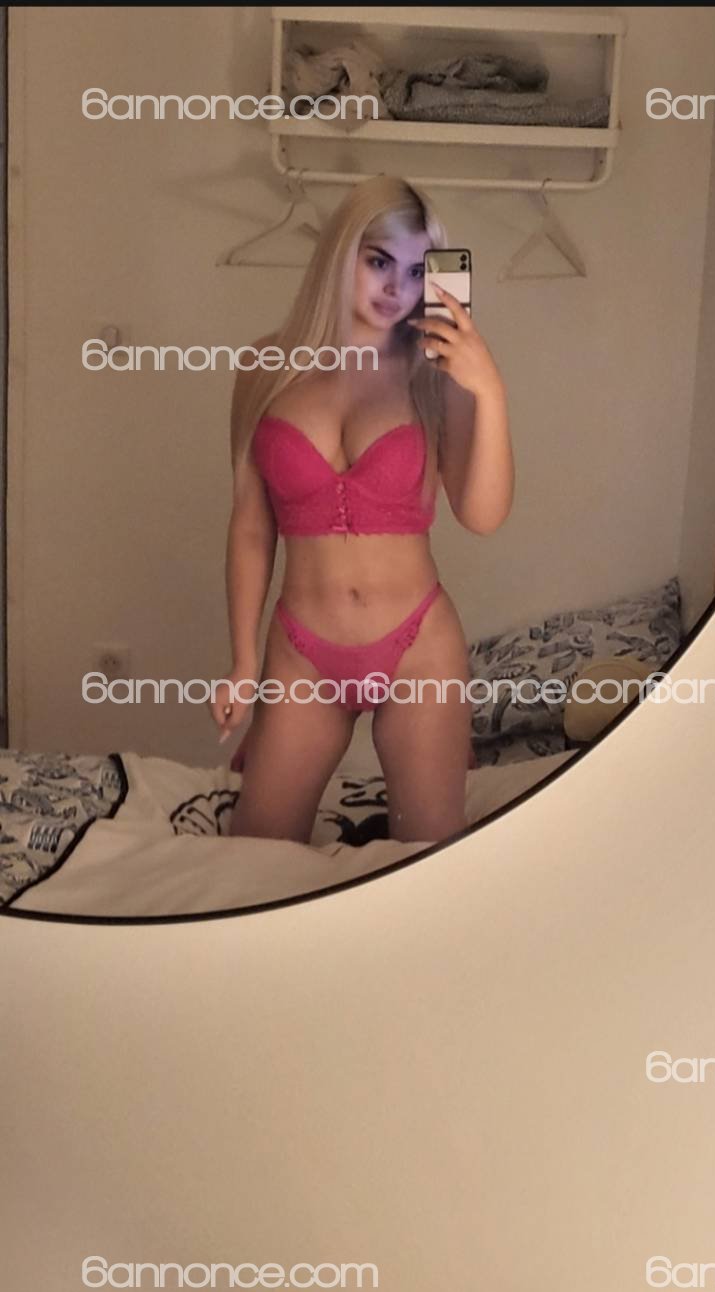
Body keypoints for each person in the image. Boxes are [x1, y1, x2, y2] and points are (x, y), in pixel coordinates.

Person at [210, 175, 514, 845]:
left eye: (416, 271)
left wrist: (488, 391)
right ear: (341, 251)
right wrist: (242, 661)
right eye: (379, 261)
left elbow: (483, 514)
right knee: (255, 856)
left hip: (418, 647)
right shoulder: (264, 368)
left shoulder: (436, 371)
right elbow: (252, 527)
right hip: (302, 653)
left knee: (426, 858)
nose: (396, 288)